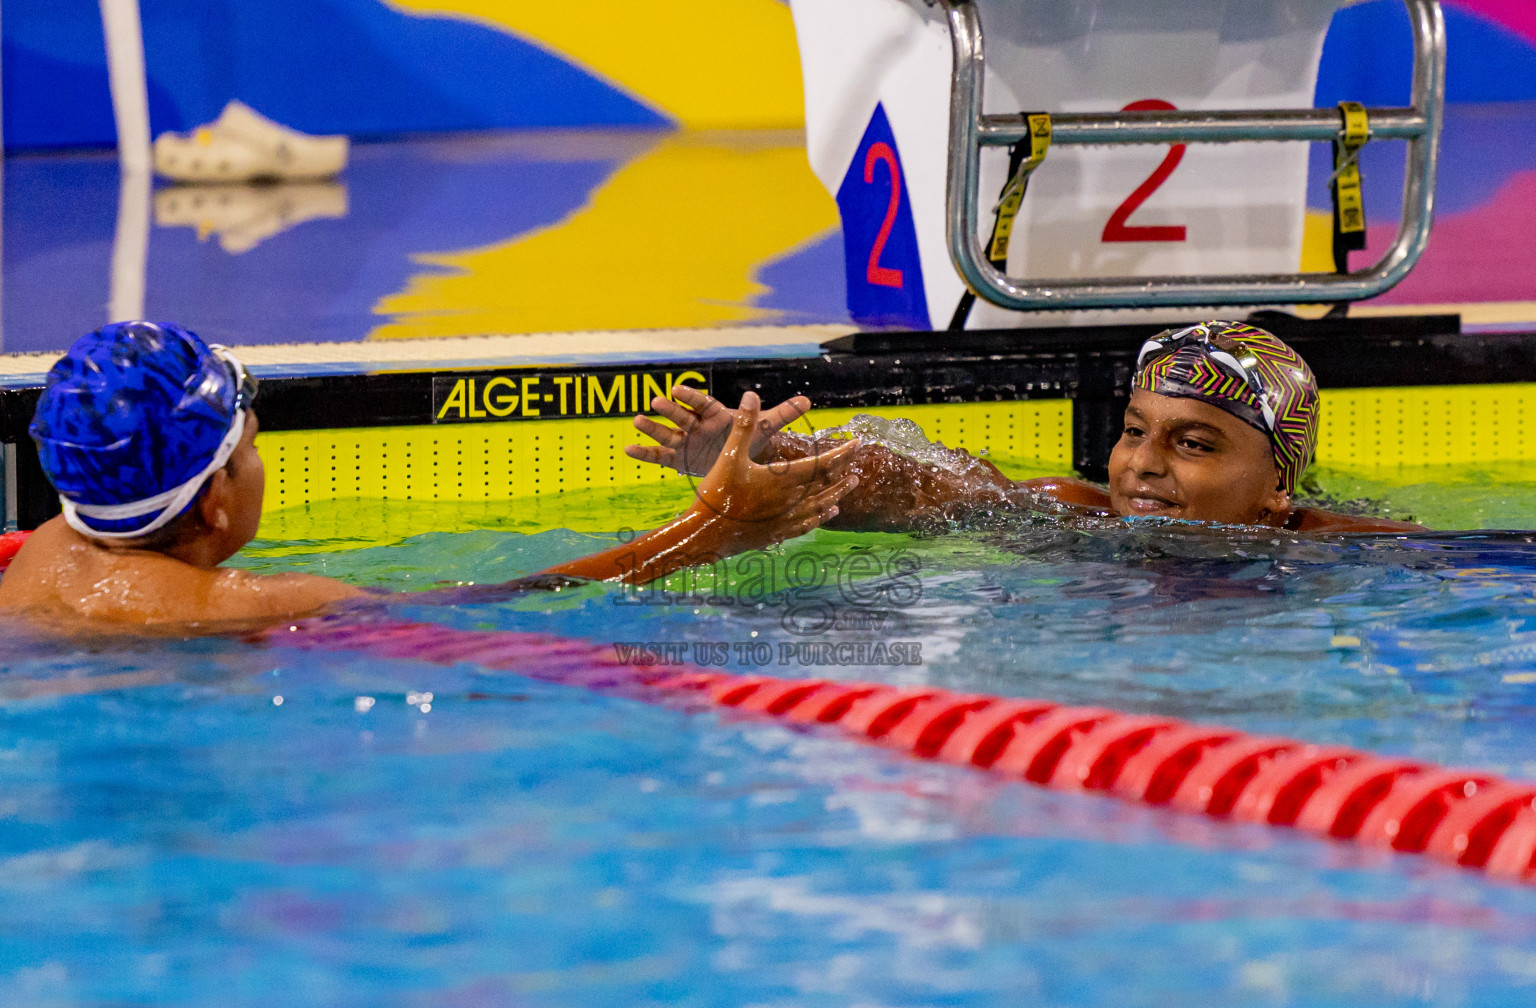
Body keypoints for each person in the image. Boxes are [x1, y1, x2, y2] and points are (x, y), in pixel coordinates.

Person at [0, 322, 859, 627]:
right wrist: (717, 526)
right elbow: (512, 601)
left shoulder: (41, 554)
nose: (263, 461)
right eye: (251, 444)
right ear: (216, 504)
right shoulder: (237, 605)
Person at [627, 320, 1424, 535]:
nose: (1142, 465)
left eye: (1193, 442)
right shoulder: (1070, 514)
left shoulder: (1330, 547)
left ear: (1279, 485)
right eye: (1134, 430)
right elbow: (920, 484)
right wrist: (777, 452)